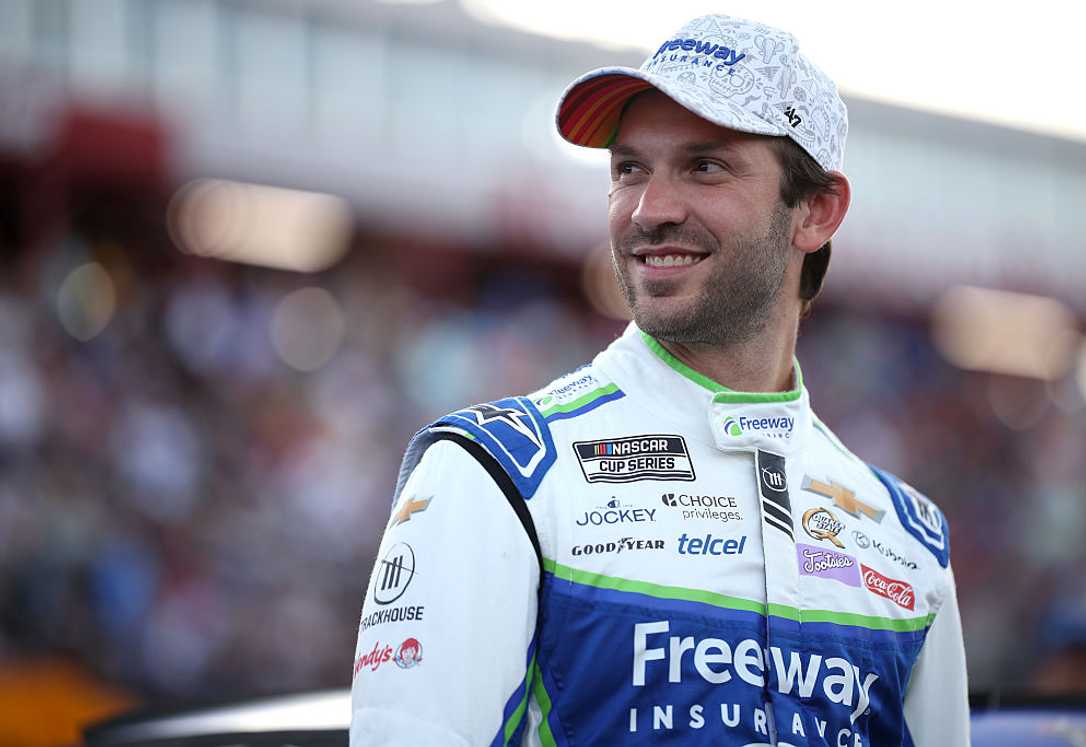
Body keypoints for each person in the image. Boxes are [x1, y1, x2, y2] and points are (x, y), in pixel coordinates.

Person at [351, 14, 969, 747]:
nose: (650, 209)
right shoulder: (497, 474)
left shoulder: (908, 541)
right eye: (629, 169)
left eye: (705, 166)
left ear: (816, 210)